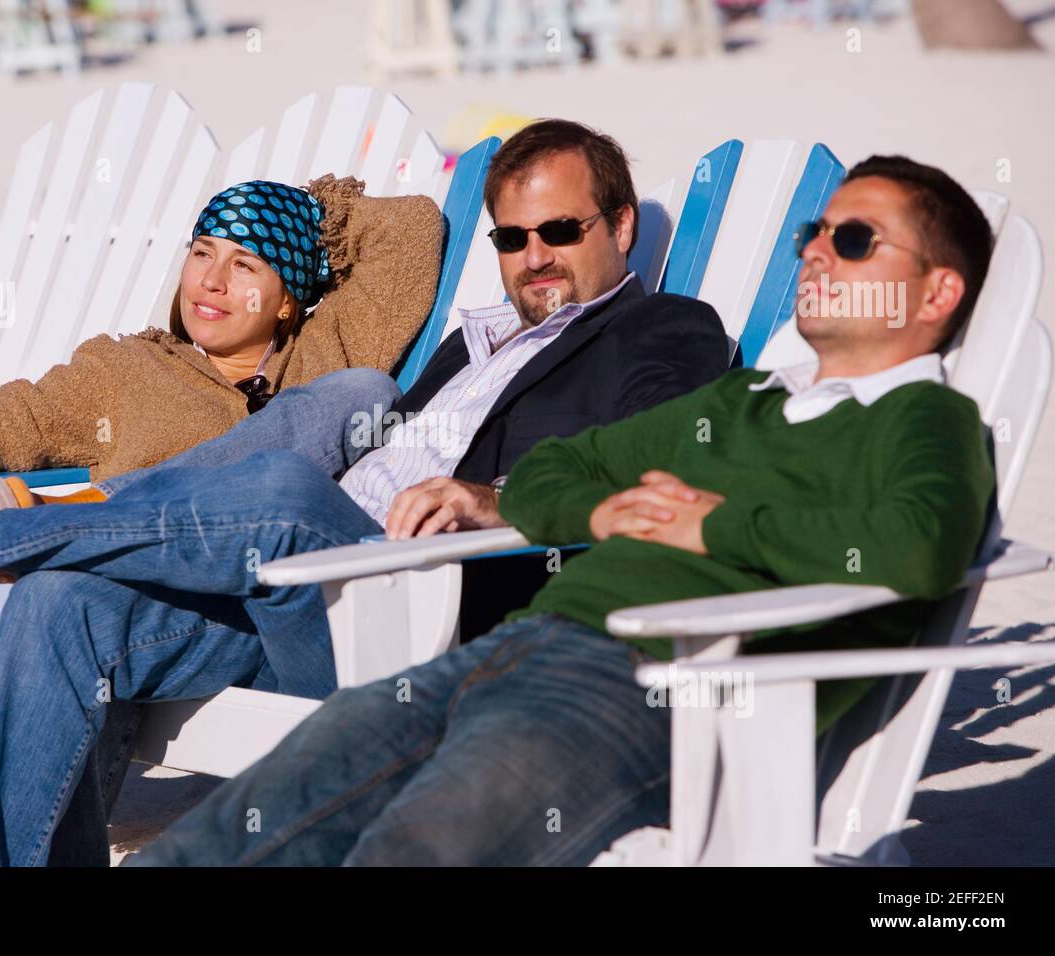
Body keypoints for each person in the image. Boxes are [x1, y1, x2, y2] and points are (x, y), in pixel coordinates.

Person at [0, 118, 730, 865]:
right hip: (291, 596)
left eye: (560, 231)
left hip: (413, 609)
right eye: (511, 238)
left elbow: (644, 458)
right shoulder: (473, 344)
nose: (533, 257)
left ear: (619, 225)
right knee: (61, 604)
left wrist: (496, 498)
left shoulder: (666, 328)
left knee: (277, 483)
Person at [127, 154, 998, 867]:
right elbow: (552, 476)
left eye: (852, 240)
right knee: (236, 824)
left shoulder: (927, 419)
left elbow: (917, 548)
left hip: (651, 685)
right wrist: (617, 505)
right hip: (512, 647)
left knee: (409, 848)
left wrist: (709, 526)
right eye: (814, 234)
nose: (815, 254)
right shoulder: (746, 404)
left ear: (936, 295)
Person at [0, 176, 443, 524]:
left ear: (288, 297)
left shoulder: (326, 352)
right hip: (142, 586)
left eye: (244, 265)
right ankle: (91, 518)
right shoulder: (124, 372)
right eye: (202, 253)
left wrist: (302, 218)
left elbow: (411, 229)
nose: (210, 279)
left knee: (360, 390)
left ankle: (92, 509)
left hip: (276, 585)